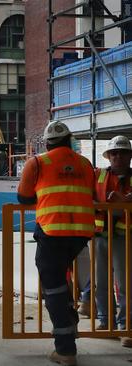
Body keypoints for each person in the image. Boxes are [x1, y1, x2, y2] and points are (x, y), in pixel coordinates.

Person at [17, 121, 95, 366]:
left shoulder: (38, 163)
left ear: (47, 142)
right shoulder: (85, 164)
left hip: (52, 231)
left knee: (52, 288)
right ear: (69, 139)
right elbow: (89, 193)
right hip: (82, 233)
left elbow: (23, 197)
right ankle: (69, 317)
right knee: (60, 282)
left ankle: (65, 349)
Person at [92, 135, 132, 347]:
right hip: (100, 235)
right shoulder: (97, 175)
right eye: (114, 153)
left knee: (125, 284)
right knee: (101, 282)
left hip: (124, 238)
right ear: (108, 156)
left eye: (122, 152)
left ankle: (126, 325)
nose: (118, 156)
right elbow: (87, 196)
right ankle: (105, 322)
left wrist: (126, 200)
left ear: (130, 156)